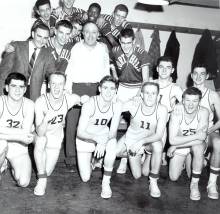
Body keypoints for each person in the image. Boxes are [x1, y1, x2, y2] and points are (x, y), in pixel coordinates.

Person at [101, 82, 168, 199]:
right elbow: (116, 105)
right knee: (137, 174)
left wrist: (141, 142)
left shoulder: (162, 109)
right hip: (131, 141)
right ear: (141, 94)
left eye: (153, 93)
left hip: (148, 142)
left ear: (158, 95)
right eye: (147, 93)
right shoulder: (134, 104)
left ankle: (153, 182)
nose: (150, 96)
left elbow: (158, 135)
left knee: (158, 146)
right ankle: (130, 157)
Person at [64, 21, 110, 170]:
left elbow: (106, 72)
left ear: (98, 35)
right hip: (78, 87)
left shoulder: (103, 49)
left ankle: (95, 158)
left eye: (94, 32)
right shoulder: (76, 48)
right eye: (87, 31)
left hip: (97, 88)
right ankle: (71, 158)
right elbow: (69, 71)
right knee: (73, 123)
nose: (90, 35)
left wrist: (106, 91)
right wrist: (68, 90)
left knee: (95, 125)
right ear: (82, 33)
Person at [34, 71, 89, 196]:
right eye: (53, 84)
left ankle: (42, 172)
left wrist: (85, 99)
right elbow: (40, 132)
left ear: (64, 85)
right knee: (41, 142)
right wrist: (46, 119)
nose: (57, 88)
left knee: (46, 171)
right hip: (41, 137)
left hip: (55, 139)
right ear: (48, 85)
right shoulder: (40, 102)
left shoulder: (68, 98)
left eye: (60, 84)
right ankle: (41, 181)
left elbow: (81, 100)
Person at [112, 28, 151, 174]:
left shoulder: (143, 54)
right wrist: (114, 73)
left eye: (129, 43)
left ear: (134, 41)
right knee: (114, 117)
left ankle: (125, 159)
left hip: (137, 88)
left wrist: (139, 95)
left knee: (134, 124)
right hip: (122, 87)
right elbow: (110, 61)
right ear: (119, 41)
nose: (126, 46)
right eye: (123, 43)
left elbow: (146, 80)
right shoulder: (116, 50)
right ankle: (108, 151)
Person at [76, 76, 121, 184]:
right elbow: (80, 132)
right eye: (105, 88)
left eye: (112, 88)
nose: (108, 92)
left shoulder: (117, 105)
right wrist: (98, 140)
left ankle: (106, 182)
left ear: (116, 91)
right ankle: (95, 160)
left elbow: (113, 132)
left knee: (112, 144)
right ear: (99, 89)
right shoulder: (89, 104)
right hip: (86, 137)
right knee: (85, 178)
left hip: (103, 134)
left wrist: (102, 142)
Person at [168, 87, 209, 201]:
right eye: (188, 100)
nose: (191, 105)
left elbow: (201, 140)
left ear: (199, 102)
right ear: (182, 100)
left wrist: (176, 145)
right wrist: (196, 135)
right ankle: (192, 160)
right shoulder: (177, 110)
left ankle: (194, 185)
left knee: (197, 147)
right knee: (173, 177)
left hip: (191, 146)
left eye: (195, 101)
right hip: (181, 145)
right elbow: (172, 140)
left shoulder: (203, 112)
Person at [0, 23, 56, 101]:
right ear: (33, 34)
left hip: (32, 95)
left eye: (45, 38)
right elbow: (3, 74)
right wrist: (2, 96)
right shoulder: (16, 46)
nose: (42, 41)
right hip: (12, 90)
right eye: (39, 36)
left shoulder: (48, 55)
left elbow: (53, 77)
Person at [191, 64, 220, 199]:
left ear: (207, 76)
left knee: (219, 143)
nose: (198, 76)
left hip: (207, 132)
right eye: (195, 73)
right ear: (191, 75)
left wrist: (209, 131)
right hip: (190, 134)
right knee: (175, 175)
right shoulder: (185, 92)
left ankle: (212, 184)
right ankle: (194, 184)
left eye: (202, 74)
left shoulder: (212, 95)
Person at [0, 73, 35, 186]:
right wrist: (19, 136)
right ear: (6, 88)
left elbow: (25, 132)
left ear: (25, 89)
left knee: (24, 182)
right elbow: (23, 135)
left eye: (21, 87)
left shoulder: (29, 104)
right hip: (2, 143)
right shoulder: (1, 102)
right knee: (2, 144)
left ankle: (8, 163)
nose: (17, 90)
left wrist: (3, 131)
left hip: (18, 148)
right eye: (13, 86)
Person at [154, 56, 183, 165]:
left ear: (172, 70)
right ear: (157, 69)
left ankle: (162, 152)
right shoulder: (150, 83)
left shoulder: (175, 88)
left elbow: (187, 104)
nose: (164, 70)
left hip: (166, 122)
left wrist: (179, 104)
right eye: (161, 67)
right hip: (150, 120)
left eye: (168, 67)